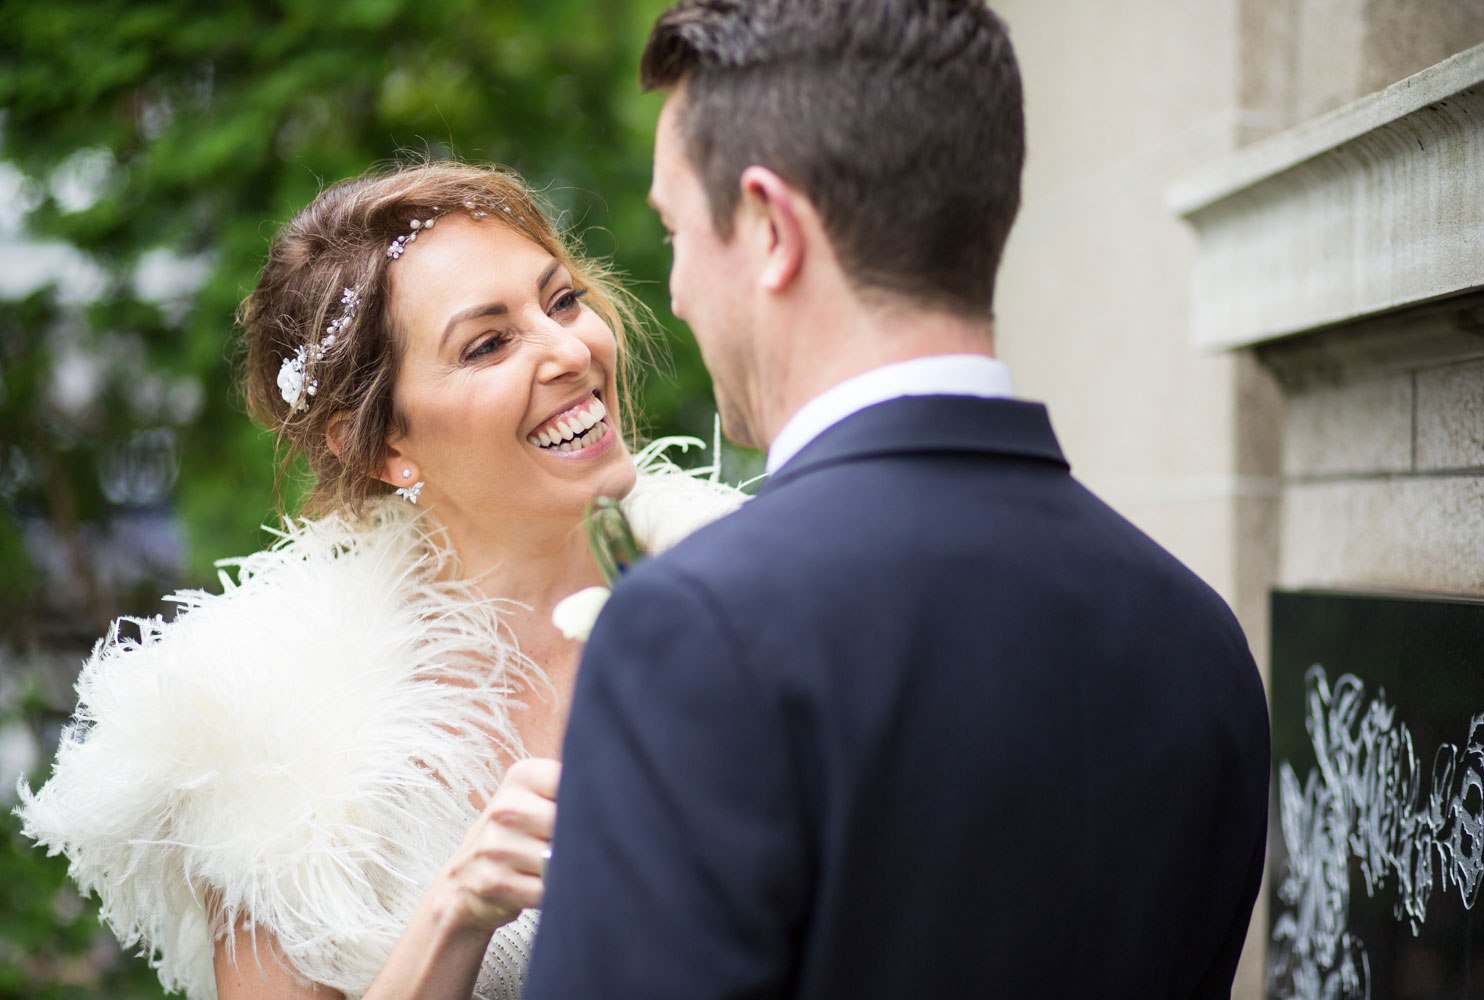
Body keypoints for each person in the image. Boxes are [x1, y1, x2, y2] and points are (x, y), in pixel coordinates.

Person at [525, 1, 1271, 998]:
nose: (678, 291)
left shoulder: (693, 631)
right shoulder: (1199, 635)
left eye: (675, 232)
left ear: (770, 226)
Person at [16, 161, 742, 1000]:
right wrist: (458, 915)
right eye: (488, 343)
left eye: (562, 300)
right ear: (381, 448)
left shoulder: (756, 583)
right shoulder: (270, 740)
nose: (570, 350)